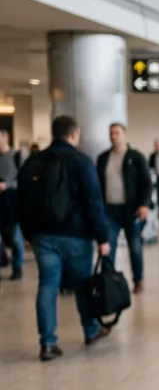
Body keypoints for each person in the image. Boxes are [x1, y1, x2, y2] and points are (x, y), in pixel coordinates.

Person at [17, 116, 112, 361]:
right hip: (76, 235)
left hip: (43, 236)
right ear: (73, 134)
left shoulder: (32, 162)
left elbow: (22, 202)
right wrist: (103, 237)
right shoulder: (81, 162)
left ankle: (48, 343)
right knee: (83, 285)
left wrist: (28, 234)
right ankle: (91, 330)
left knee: (47, 286)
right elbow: (93, 202)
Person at [96, 123, 152, 294]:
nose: (113, 136)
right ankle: (108, 281)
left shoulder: (136, 157)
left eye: (117, 133)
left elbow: (146, 183)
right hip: (109, 210)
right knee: (108, 246)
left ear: (125, 135)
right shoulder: (103, 158)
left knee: (134, 246)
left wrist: (144, 204)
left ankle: (138, 280)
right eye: (111, 133)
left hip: (131, 210)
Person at [0, 130, 25, 280]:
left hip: (12, 200)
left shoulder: (17, 156)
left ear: (6, 137)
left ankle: (17, 266)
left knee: (15, 236)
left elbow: (24, 178)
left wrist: (7, 184)